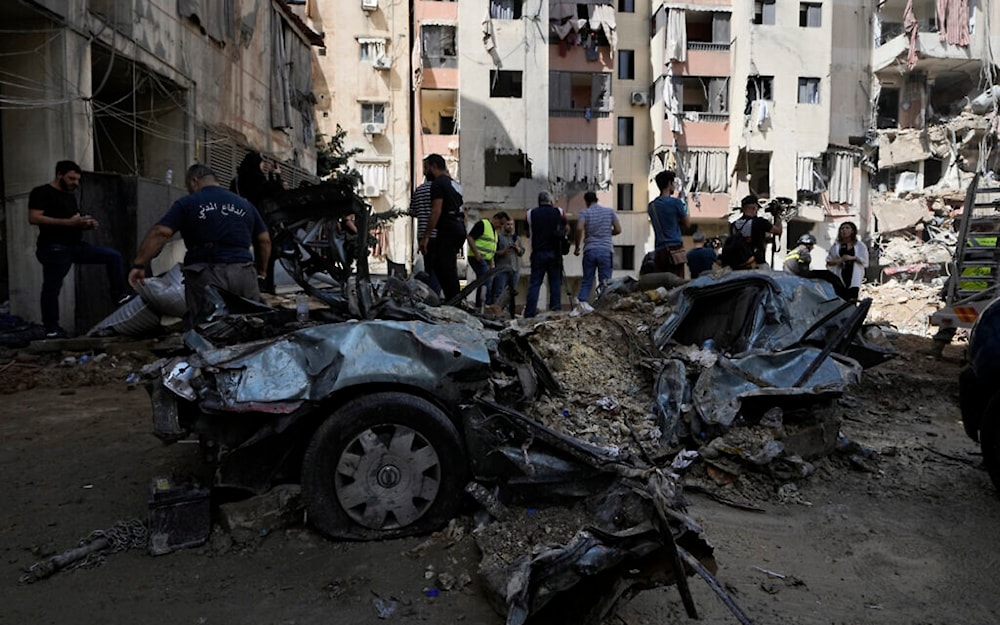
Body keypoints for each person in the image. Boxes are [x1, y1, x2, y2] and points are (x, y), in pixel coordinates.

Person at [128, 164, 272, 327]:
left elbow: (161, 232)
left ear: (194, 181)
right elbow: (264, 240)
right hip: (243, 273)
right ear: (216, 181)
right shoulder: (245, 204)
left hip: (207, 276)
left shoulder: (188, 202)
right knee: (252, 326)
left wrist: (139, 264)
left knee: (208, 330)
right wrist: (261, 271)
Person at [28, 160, 130, 338]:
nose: (74, 183)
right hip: (54, 248)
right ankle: (51, 328)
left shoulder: (69, 196)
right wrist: (68, 222)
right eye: (71, 178)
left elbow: (73, 220)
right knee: (52, 288)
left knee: (113, 256)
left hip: (75, 246)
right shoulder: (41, 192)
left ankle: (119, 295)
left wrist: (85, 224)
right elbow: (34, 218)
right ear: (59, 175)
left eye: (77, 179)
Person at [419, 154, 466, 300]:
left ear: (433, 167)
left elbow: (436, 210)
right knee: (447, 265)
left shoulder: (438, 184)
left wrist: (426, 237)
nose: (425, 172)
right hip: (459, 227)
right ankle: (454, 297)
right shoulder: (453, 184)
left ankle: (454, 299)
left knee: (442, 266)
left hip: (448, 228)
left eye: (426, 168)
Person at [574, 190, 621, 308]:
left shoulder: (584, 213)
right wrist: (608, 232)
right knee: (605, 282)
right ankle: (603, 307)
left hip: (590, 250)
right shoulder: (609, 212)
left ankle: (582, 306)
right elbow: (618, 229)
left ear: (586, 202)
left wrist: (577, 246)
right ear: (596, 199)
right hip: (605, 250)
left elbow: (579, 228)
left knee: (587, 281)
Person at [523, 191, 566, 317]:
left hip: (538, 253)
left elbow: (527, 233)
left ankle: (529, 313)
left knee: (535, 284)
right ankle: (555, 311)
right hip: (555, 253)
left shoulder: (530, 213)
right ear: (551, 201)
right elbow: (565, 228)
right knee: (555, 283)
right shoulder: (559, 212)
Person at [647, 170, 690, 276]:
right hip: (675, 249)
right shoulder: (676, 202)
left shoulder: (652, 206)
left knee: (662, 283)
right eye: (673, 183)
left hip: (659, 250)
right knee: (677, 283)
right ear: (669, 183)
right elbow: (687, 224)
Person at [466, 211, 510, 307]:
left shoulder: (494, 233)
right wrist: (476, 253)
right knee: (486, 281)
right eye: (501, 223)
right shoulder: (483, 224)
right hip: (476, 257)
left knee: (483, 281)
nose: (501, 226)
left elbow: (491, 250)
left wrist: (491, 263)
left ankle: (480, 305)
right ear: (495, 218)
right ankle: (484, 305)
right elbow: (470, 237)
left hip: (485, 260)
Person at [729, 194, 782, 268]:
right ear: (754, 208)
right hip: (757, 263)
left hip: (739, 264)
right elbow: (778, 231)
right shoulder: (759, 222)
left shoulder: (734, 225)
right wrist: (778, 216)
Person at [408, 173, 440, 293]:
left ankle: (428, 294)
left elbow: (412, 211)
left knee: (428, 267)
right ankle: (435, 297)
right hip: (436, 234)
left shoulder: (419, 190)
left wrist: (423, 213)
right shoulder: (439, 189)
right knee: (438, 270)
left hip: (422, 234)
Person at [826, 221, 868, 300]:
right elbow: (829, 261)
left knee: (852, 298)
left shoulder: (859, 245)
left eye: (847, 228)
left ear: (852, 231)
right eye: (842, 228)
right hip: (839, 276)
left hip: (853, 275)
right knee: (840, 298)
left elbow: (865, 261)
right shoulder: (836, 246)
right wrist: (840, 260)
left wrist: (852, 258)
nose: (844, 230)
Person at [492, 219, 522, 307]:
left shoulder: (517, 238)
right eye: (508, 224)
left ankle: (508, 311)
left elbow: (522, 252)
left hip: (514, 268)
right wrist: (503, 251)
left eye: (512, 224)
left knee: (510, 293)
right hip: (502, 269)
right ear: (504, 225)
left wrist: (517, 248)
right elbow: (494, 252)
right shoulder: (499, 237)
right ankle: (497, 309)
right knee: (499, 291)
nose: (510, 226)